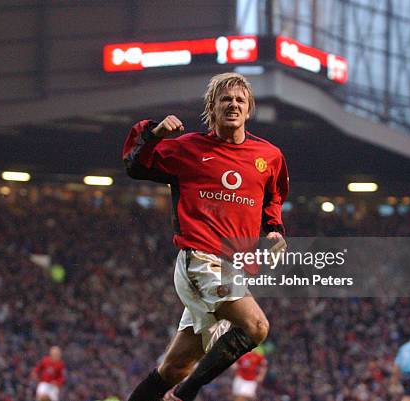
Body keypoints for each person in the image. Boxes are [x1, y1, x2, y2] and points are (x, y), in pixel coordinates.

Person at [122, 72, 289, 401]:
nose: (233, 105)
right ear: (211, 107)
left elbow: (273, 197)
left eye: (240, 100)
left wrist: (273, 229)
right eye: (226, 99)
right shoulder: (188, 148)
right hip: (200, 259)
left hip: (234, 266)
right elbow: (136, 166)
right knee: (256, 327)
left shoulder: (268, 156)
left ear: (249, 109)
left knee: (174, 367)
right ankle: (185, 395)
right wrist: (154, 134)